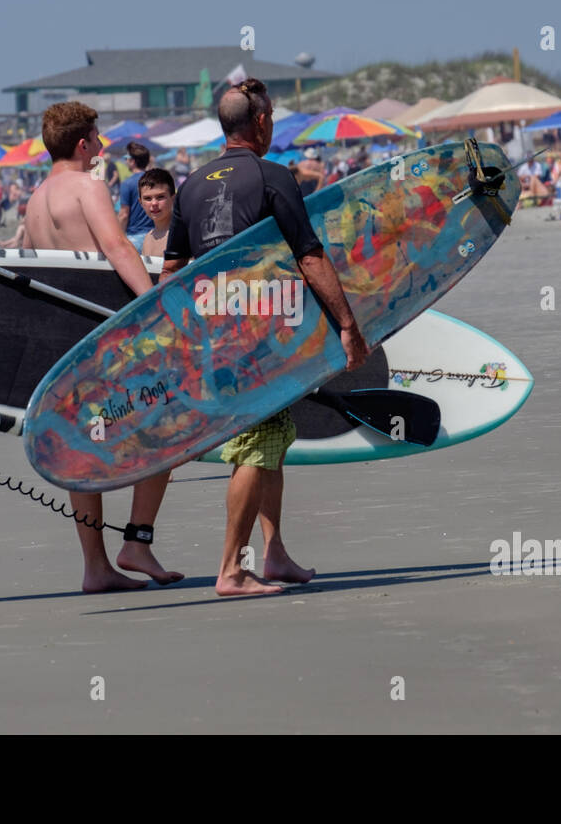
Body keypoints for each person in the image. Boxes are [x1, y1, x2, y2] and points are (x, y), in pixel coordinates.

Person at [160, 78, 369, 597]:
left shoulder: (190, 186)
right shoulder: (273, 176)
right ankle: (230, 570)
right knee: (256, 443)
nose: (272, 124)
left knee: (272, 439)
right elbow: (310, 255)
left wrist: (180, 340)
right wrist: (347, 324)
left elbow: (170, 274)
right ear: (258, 123)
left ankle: (273, 554)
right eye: (270, 116)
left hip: (213, 332)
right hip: (257, 337)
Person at [22, 102, 180, 593]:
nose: (103, 145)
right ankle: (137, 542)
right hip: (104, 333)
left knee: (80, 448)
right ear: (83, 144)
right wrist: (155, 303)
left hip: (60, 335)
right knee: (163, 422)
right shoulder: (89, 186)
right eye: (98, 137)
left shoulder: (34, 199)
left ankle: (95, 566)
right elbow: (116, 246)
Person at [116, 142, 155, 250]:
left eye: (126, 158)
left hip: (135, 237)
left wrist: (118, 238)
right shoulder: (156, 180)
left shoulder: (127, 183)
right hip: (155, 236)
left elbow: (124, 215)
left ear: (133, 161)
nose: (125, 161)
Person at [138, 168, 175, 259]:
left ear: (173, 199)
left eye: (160, 197)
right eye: (148, 198)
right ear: (141, 202)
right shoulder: (148, 238)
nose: (154, 203)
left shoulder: (183, 236)